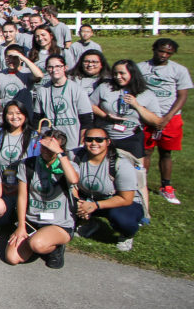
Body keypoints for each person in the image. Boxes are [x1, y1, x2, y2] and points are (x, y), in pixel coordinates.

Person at [5, 130, 79, 269]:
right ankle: (38, 243)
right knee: (12, 258)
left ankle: (55, 248)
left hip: (58, 223)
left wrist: (60, 154)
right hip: (33, 221)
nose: (45, 150)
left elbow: (74, 179)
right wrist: (21, 226)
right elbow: (22, 196)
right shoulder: (27, 165)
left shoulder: (68, 166)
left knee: (37, 244)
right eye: (43, 146)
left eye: (50, 148)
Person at [73, 128, 145, 252]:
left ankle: (127, 234)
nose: (94, 143)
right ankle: (89, 223)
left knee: (122, 219)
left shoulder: (120, 163)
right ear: (84, 141)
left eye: (99, 140)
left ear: (108, 142)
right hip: (89, 199)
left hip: (120, 203)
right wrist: (77, 202)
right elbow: (69, 183)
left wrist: (95, 205)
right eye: (89, 139)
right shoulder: (76, 156)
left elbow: (126, 198)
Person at [138, 38, 191, 205]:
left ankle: (166, 186)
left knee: (166, 152)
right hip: (147, 115)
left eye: (168, 53)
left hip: (170, 117)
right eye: (161, 51)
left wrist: (167, 117)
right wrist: (147, 114)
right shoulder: (141, 68)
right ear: (154, 49)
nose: (164, 55)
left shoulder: (179, 70)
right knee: (145, 151)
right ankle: (142, 186)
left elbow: (182, 95)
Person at [90, 60, 161, 158]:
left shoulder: (146, 93)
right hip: (105, 138)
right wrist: (106, 116)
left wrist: (137, 105)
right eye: (115, 73)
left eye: (122, 73)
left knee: (134, 171)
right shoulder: (104, 87)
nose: (118, 77)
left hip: (131, 138)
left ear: (132, 73)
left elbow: (157, 121)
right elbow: (89, 105)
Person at [33, 55, 93, 151]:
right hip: (50, 143)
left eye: (58, 66)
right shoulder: (42, 90)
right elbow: (37, 120)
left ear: (65, 67)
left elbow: (86, 121)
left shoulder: (78, 90)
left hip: (73, 143)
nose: (54, 70)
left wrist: (82, 144)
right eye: (50, 67)